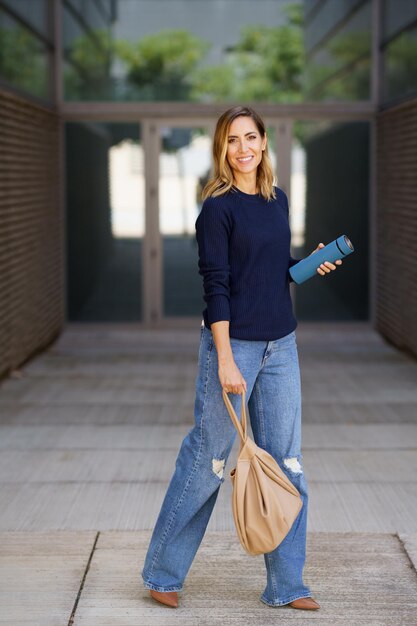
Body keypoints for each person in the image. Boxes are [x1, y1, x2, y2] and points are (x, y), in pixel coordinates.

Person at [141, 105, 342, 611]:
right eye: (233, 140)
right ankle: (162, 573)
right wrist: (226, 358)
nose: (244, 148)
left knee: (287, 464)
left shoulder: (276, 200)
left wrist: (309, 266)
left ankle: (287, 585)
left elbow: (272, 270)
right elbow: (218, 286)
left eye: (251, 138)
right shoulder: (217, 209)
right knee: (209, 458)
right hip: (234, 345)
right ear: (222, 149)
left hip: (282, 345)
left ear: (265, 142)